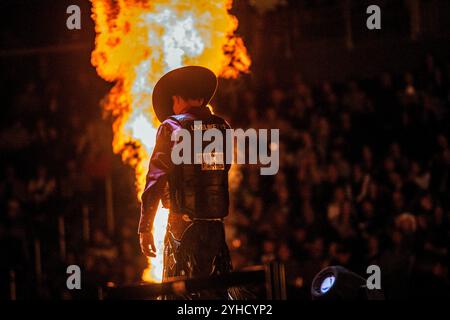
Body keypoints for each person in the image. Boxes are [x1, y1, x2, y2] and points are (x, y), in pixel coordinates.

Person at [138, 66, 233, 299]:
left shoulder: (171, 127)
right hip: (215, 227)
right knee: (215, 294)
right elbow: (222, 170)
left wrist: (145, 226)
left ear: (177, 98)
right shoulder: (222, 127)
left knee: (179, 294)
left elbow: (156, 178)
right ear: (201, 98)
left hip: (183, 226)